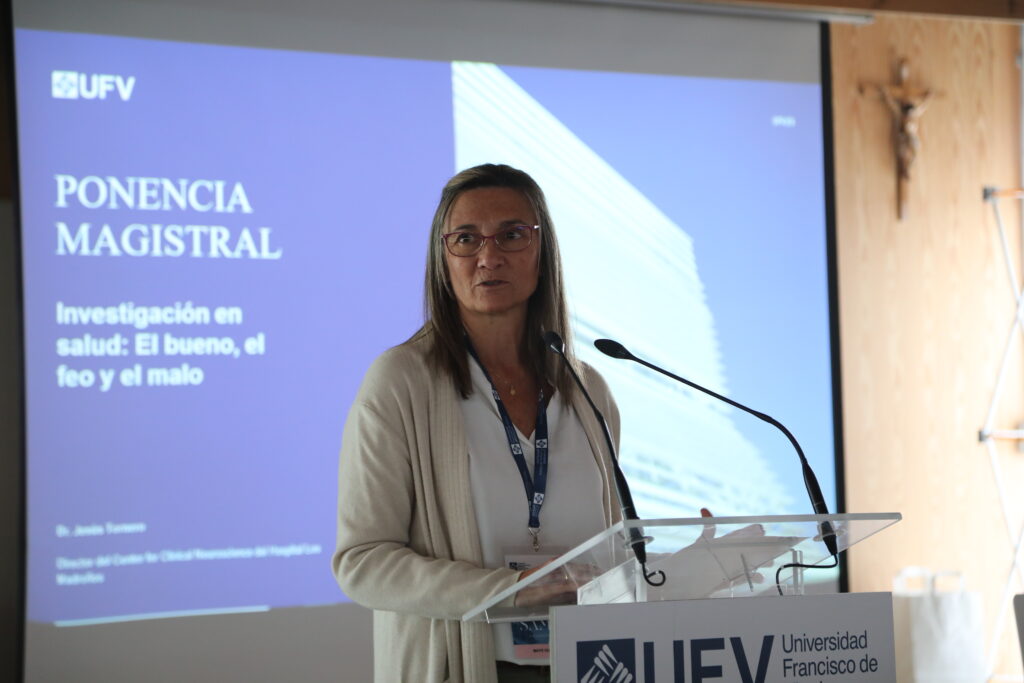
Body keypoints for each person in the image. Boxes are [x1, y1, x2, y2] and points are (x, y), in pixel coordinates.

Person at [332, 164, 622, 682]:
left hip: (592, 666)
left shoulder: (587, 388)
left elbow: (611, 545)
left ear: (543, 253)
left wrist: (687, 560)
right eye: (466, 239)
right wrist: (509, 589)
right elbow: (363, 561)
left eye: (512, 235)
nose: (489, 256)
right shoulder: (401, 381)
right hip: (467, 666)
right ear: (443, 258)